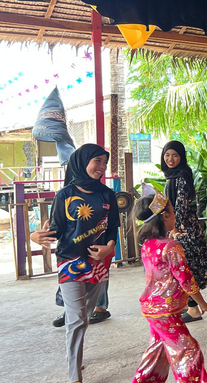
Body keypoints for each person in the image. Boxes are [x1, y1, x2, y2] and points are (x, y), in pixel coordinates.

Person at [30, 144, 118, 383]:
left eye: (104, 162)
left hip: (99, 263)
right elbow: (55, 230)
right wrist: (34, 236)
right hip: (69, 262)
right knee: (77, 318)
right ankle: (74, 376)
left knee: (84, 317)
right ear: (82, 161)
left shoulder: (107, 194)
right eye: (96, 161)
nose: (101, 167)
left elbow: (112, 229)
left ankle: (76, 357)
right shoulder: (64, 195)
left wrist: (109, 248)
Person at [131, 192, 207, 383]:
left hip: (152, 308)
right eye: (173, 212)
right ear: (164, 216)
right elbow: (186, 280)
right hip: (166, 311)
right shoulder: (171, 247)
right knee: (189, 351)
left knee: (157, 350)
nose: (175, 216)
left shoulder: (148, 244)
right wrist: (203, 305)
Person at [161, 141, 207, 322]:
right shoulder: (173, 176)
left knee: (186, 268)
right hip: (180, 228)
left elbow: (181, 206)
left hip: (184, 230)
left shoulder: (181, 177)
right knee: (184, 268)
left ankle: (194, 309)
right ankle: (190, 306)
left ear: (182, 157)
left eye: (175, 155)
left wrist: (175, 229)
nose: (170, 159)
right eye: (167, 155)